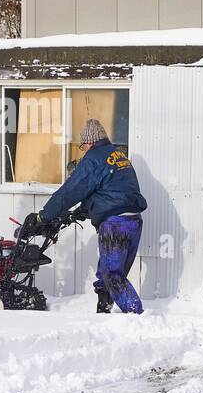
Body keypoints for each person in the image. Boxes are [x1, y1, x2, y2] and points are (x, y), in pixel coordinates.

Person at [28, 118, 147, 314]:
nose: (83, 150)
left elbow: (70, 191)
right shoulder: (119, 156)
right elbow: (110, 191)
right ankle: (104, 307)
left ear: (90, 142)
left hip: (115, 224)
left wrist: (44, 217)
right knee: (109, 271)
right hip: (133, 221)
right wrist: (81, 211)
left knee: (113, 275)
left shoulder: (94, 159)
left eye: (83, 146)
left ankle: (138, 317)